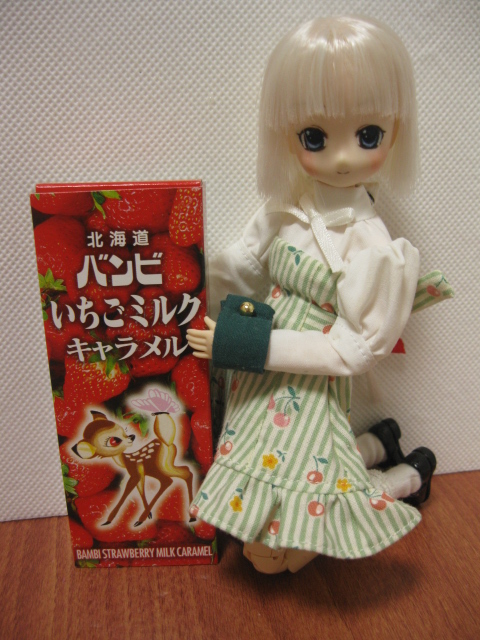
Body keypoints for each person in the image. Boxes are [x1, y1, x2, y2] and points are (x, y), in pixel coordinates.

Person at [187, 16, 446, 573]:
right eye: (316, 138)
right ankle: (377, 445)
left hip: (310, 371)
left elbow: (355, 348)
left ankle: (407, 476)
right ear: (288, 135)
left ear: (395, 132)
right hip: (259, 373)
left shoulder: (372, 244)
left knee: (293, 511)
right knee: (272, 456)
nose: (343, 158)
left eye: (368, 135)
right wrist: (186, 290)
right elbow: (239, 265)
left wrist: (248, 344)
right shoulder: (287, 206)